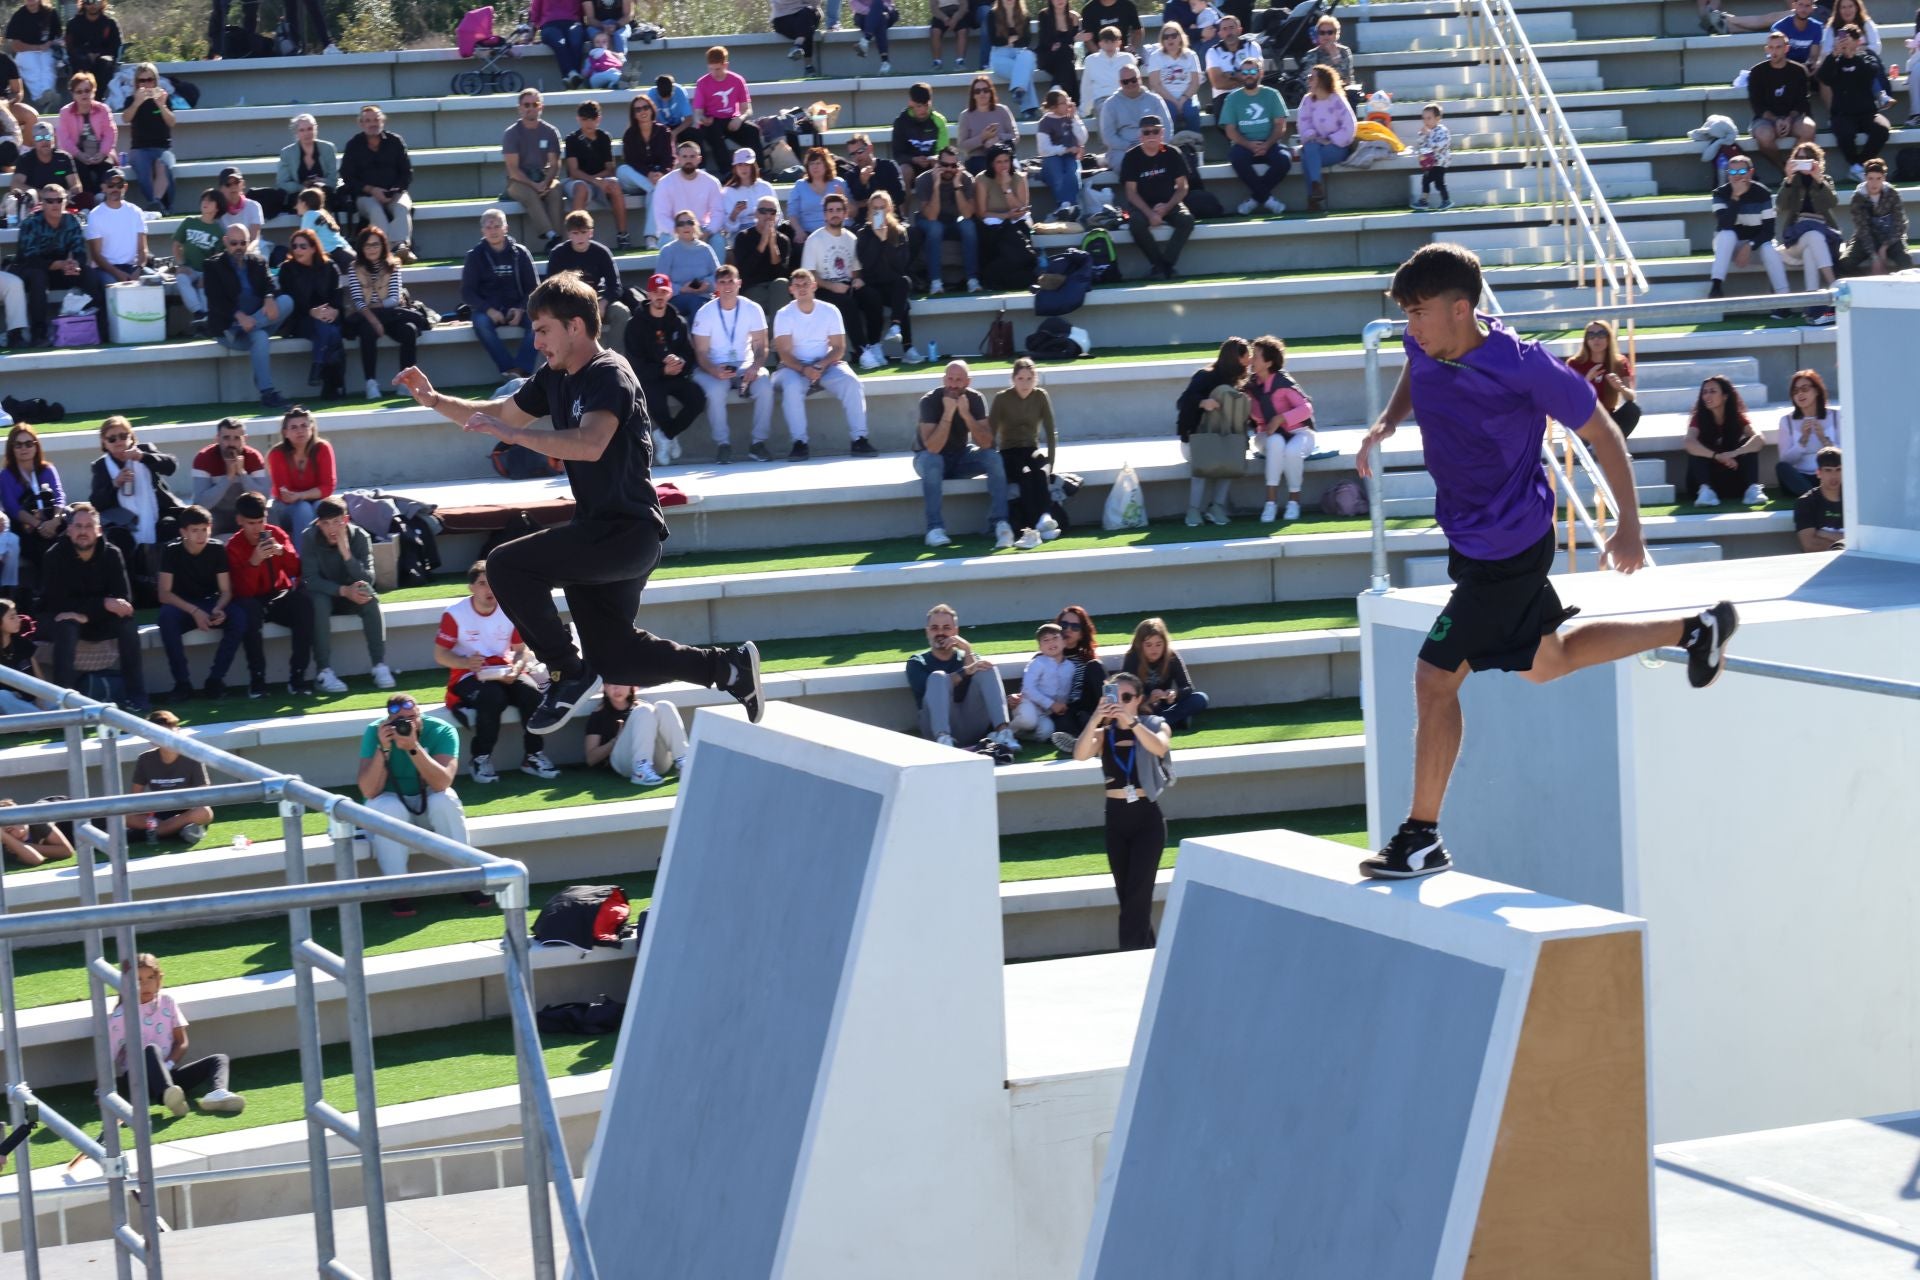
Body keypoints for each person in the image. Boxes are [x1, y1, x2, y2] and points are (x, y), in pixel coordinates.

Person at [1354, 243, 1738, 880]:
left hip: (1509, 546)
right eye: (1407, 316)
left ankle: (1421, 837)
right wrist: (1388, 422)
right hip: (1471, 543)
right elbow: (1413, 370)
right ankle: (1695, 630)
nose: (1410, 327)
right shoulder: (1426, 343)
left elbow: (1604, 433)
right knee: (1546, 662)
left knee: (1434, 677)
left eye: (1418, 313)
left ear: (1460, 308)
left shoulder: (1524, 366)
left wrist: (1629, 526)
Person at [395, 271, 765, 734]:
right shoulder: (554, 376)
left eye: (543, 330)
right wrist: (434, 400)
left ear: (575, 326)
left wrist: (514, 436)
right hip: (598, 533)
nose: (536, 342)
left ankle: (565, 671)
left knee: (505, 565)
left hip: (626, 535)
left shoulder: (610, 373)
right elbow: (500, 414)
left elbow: (590, 443)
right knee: (616, 658)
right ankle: (727, 668)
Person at [1070, 670, 1169, 949]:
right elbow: (1079, 754)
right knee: (1128, 897)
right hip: (1116, 819)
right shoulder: (1104, 735)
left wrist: (1132, 722)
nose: (1120, 703)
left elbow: (1160, 747)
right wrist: (1096, 717)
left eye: (1126, 697)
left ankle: (1129, 957)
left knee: (1138, 894)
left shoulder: (1153, 725)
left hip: (1147, 820)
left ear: (1138, 699)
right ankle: (1148, 953)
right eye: (1115, 696)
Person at [434, 559, 556, 784]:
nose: (489, 589)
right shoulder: (455, 613)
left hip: (504, 669)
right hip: (467, 674)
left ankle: (533, 755)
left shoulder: (509, 609)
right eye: (482, 584)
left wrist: (517, 668)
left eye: (492, 583)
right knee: (492, 697)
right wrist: (466, 662)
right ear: (471, 587)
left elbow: (521, 650)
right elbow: (441, 655)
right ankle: (480, 758)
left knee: (533, 694)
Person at [356, 694, 471, 918]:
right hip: (389, 801)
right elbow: (369, 791)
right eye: (398, 720)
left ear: (420, 716)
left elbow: (442, 783)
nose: (405, 725)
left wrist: (413, 747)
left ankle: (468, 879)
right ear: (388, 721)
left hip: (427, 799)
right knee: (389, 809)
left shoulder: (442, 730)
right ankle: (398, 890)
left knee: (445, 800)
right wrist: (383, 749)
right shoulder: (375, 731)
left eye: (410, 719)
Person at [105, 955, 246, 1119]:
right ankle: (169, 1095)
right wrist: (101, 1091)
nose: (145, 984)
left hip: (169, 1075)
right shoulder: (123, 1014)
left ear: (159, 979)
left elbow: (182, 1041)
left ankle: (217, 1093)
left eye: (150, 977)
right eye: (138, 980)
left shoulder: (167, 1002)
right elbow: (107, 1055)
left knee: (219, 1059)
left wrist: (169, 1064)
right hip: (138, 1081)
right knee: (151, 1050)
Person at [42, 503, 147, 707]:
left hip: (97, 619)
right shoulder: (53, 556)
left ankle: (137, 696)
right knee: (67, 626)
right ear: (69, 530)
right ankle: (64, 701)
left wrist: (88, 613)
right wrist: (103, 604)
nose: (83, 531)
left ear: (99, 531)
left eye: (89, 526)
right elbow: (57, 602)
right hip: (59, 617)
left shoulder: (112, 554)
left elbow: (123, 599)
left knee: (127, 624)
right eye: (78, 526)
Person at [772, 269, 873, 460]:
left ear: (814, 286)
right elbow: (784, 353)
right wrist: (804, 369)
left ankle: (860, 439)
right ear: (791, 289)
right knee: (791, 386)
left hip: (826, 364)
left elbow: (839, 347)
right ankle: (799, 443)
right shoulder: (783, 314)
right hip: (793, 368)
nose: (802, 288)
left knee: (851, 382)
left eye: (806, 284)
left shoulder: (830, 310)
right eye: (797, 285)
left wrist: (821, 365)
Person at [226, 490, 314, 697]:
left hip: (279, 596)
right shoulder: (233, 547)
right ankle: (257, 680)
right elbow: (242, 591)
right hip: (251, 601)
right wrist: (254, 562)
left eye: (261, 521)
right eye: (251, 523)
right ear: (240, 520)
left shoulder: (277, 534)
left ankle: (298, 677)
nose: (258, 528)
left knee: (304, 603)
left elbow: (297, 570)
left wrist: (282, 552)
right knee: (248, 611)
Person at [915, 360, 1012, 548]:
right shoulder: (929, 401)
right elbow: (932, 448)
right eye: (950, 379)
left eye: (959, 380)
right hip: (926, 459)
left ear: (968, 382)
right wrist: (948, 413)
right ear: (944, 379)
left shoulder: (975, 399)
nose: (953, 384)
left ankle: (1000, 523)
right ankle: (935, 529)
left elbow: (986, 443)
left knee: (993, 458)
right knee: (934, 461)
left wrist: (966, 414)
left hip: (960, 457)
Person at [299, 497, 388, 696]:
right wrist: (344, 590)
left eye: (337, 522)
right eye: (326, 523)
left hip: (351, 596)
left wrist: (347, 554)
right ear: (318, 523)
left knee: (369, 595)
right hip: (326, 595)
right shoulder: (309, 537)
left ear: (346, 520)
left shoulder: (360, 536)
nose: (332, 529)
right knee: (319, 602)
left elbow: (369, 578)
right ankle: (323, 671)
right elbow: (310, 580)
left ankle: (379, 665)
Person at [155, 505, 244, 701]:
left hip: (210, 603)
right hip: (182, 606)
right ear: (183, 532)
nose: (201, 535)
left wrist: (219, 609)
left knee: (238, 617)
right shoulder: (171, 550)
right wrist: (194, 611)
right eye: (195, 530)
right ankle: (182, 683)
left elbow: (226, 591)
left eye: (204, 529)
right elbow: (164, 594)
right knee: (166, 617)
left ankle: (215, 680)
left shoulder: (217, 548)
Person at [691, 264, 776, 464]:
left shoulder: (752, 309)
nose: (727, 286)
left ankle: (758, 443)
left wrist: (755, 367)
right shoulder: (705, 312)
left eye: (731, 281)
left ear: (739, 283)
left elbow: (761, 346)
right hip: (713, 366)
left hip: (745, 364)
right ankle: (723, 444)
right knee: (715, 391)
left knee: (765, 386)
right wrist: (714, 370)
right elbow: (701, 353)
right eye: (722, 282)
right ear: (716, 285)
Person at [907, 603, 1019, 748]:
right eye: (934, 628)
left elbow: (976, 672)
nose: (940, 632)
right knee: (938, 677)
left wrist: (967, 649)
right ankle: (944, 739)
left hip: (971, 724)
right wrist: (964, 671)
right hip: (935, 728)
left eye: (946, 628)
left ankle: (1004, 733)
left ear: (955, 631)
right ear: (927, 632)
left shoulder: (968, 656)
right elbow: (933, 688)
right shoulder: (917, 662)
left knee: (986, 668)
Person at [204, 226, 290, 410]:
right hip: (228, 328)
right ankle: (267, 393)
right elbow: (215, 300)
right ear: (225, 242)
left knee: (287, 301)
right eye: (234, 243)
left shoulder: (258, 261)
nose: (239, 247)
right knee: (260, 337)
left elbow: (270, 285)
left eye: (243, 243)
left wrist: (269, 297)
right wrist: (239, 316)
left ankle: (243, 328)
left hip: (252, 324)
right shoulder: (213, 265)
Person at [625, 271, 704, 461]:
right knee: (656, 403)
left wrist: (681, 362)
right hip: (649, 379)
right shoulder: (635, 325)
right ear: (648, 295)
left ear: (670, 294)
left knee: (698, 398)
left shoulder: (678, 322)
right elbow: (635, 364)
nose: (659, 296)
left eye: (663, 291)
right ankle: (670, 435)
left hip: (675, 376)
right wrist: (661, 369)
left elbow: (689, 353)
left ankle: (665, 435)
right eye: (655, 292)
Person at [343, 226, 425, 402]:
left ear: (383, 246)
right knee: (367, 331)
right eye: (367, 245)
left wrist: (376, 306)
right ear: (361, 248)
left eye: (376, 244)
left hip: (391, 314)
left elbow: (394, 299)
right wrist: (375, 321)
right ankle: (371, 383)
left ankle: (406, 382)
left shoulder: (392, 265)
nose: (372, 249)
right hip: (367, 316)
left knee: (409, 330)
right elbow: (358, 301)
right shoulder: (354, 268)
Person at [802, 192, 884, 366]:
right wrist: (832, 286)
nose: (835, 214)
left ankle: (875, 345)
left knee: (873, 297)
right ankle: (862, 351)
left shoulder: (852, 238)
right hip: (822, 288)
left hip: (847, 285)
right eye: (830, 210)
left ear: (845, 213)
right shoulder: (814, 239)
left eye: (839, 210)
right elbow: (808, 275)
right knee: (847, 303)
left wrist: (857, 280)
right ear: (825, 214)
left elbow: (856, 270)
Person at [16, 185, 99, 348]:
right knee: (38, 277)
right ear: (42, 203)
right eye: (49, 201)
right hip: (33, 271)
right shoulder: (30, 223)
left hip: (61, 270)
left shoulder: (72, 221)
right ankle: (38, 334)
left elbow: (80, 253)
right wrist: (60, 264)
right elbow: (29, 259)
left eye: (59, 200)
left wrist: (75, 264)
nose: (55, 204)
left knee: (88, 273)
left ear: (65, 202)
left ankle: (99, 328)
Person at [1244, 334, 1315, 523]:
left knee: (1292, 451)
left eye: (1256, 356)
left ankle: (1294, 502)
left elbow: (1307, 409)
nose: (1251, 359)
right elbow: (1253, 417)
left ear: (1268, 362)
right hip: (1266, 435)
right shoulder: (1249, 386)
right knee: (1276, 441)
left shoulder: (1283, 382)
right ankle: (1270, 503)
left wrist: (1281, 418)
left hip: (1299, 433)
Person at [462, 208, 540, 377]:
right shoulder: (474, 256)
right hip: (488, 309)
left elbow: (534, 288)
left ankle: (521, 370)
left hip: (518, 306)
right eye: (489, 227)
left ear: (506, 228)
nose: (493, 231)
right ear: (482, 231)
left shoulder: (520, 253)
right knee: (481, 323)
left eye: (497, 226)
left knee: (538, 322)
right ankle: (508, 369)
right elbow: (467, 292)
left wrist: (521, 309)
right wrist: (489, 310)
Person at [990, 357, 1058, 542]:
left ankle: (1045, 517)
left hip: (1031, 448)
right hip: (1009, 451)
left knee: (1040, 471)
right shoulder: (1002, 398)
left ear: (1035, 379)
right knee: (1026, 474)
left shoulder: (1040, 396)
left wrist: (1051, 462)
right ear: (1013, 379)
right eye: (1020, 378)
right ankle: (1032, 527)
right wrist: (991, 463)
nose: (1025, 384)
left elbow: (1050, 431)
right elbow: (991, 432)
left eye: (1029, 379)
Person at [1707, 154, 1792, 299]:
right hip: (1729, 248)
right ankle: (1716, 287)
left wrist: (1749, 246)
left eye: (1742, 171)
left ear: (1751, 172)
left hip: (1755, 246)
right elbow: (1725, 224)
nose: (1737, 176)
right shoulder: (1720, 193)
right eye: (1732, 172)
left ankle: (1784, 298)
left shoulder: (1763, 193)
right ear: (1728, 174)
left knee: (1769, 248)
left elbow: (1768, 232)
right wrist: (1735, 197)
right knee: (1727, 234)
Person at [545, 209, 630, 354]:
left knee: (621, 312)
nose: (580, 237)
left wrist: (604, 302)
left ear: (591, 232)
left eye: (584, 232)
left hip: (597, 300)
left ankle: (614, 357)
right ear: (569, 234)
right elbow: (551, 288)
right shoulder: (558, 254)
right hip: (568, 303)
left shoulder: (601, 252)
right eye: (575, 233)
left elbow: (615, 285)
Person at [276, 228, 346, 401]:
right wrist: (311, 312)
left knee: (330, 330)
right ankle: (333, 382)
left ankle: (319, 368)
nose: (298, 250)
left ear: (314, 248)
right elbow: (289, 301)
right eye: (294, 246)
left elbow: (337, 296)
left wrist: (335, 310)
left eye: (303, 246)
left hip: (328, 318)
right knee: (331, 333)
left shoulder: (330, 267)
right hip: (299, 320)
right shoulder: (287, 269)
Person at [339, 106, 416, 264]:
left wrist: (395, 189)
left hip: (395, 192)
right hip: (366, 196)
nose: (372, 124)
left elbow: (407, 172)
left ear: (383, 121)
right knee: (376, 211)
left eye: (376, 120)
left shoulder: (395, 141)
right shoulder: (353, 145)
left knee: (402, 207)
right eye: (368, 120)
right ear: (361, 124)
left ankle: (401, 246)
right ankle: (389, 250)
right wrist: (372, 190)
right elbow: (347, 177)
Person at [1120, 115, 1193, 280]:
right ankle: (1160, 266)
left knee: (1187, 220)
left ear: (1162, 133)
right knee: (1136, 223)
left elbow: (1183, 187)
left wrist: (1166, 208)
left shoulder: (1172, 153)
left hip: (1169, 203)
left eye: (1155, 131)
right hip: (1142, 205)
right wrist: (1150, 214)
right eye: (1146, 132)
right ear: (1140, 136)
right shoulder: (1131, 156)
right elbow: (1131, 192)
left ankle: (1164, 265)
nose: (1151, 135)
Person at [1775, 140, 1840, 321]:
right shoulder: (1791, 181)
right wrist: (1788, 179)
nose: (1803, 161)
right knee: (1813, 235)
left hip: (1821, 239)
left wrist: (1818, 180)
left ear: (1816, 161)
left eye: (1808, 158)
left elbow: (1832, 202)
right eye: (1799, 158)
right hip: (1795, 240)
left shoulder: (1825, 180)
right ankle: (1835, 286)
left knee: (1812, 246)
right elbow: (1780, 205)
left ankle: (1812, 306)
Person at [1816, 24, 1891, 179]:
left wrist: (1853, 56)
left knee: (1882, 128)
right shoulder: (1835, 61)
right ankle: (1855, 165)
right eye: (1842, 40)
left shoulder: (1866, 57)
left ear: (1858, 41)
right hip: (1842, 114)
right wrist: (1834, 54)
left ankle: (1858, 165)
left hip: (1868, 113)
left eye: (1848, 40)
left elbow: (1871, 72)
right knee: (1845, 132)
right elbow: (1823, 77)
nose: (1845, 43)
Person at [1218, 53, 1289, 216]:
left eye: (1252, 72)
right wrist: (1249, 145)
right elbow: (1230, 130)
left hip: (1270, 142)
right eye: (1245, 72)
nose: (1248, 75)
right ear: (1240, 75)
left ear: (1260, 73)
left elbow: (1280, 126)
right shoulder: (1232, 98)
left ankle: (1254, 200)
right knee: (1237, 158)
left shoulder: (1272, 94)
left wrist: (1267, 144)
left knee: (1284, 160)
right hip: (1244, 144)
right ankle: (1268, 200)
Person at [129, 710, 213, 845]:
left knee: (204, 812)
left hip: (186, 811)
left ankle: (156, 832)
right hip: (157, 812)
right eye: (160, 735)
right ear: (152, 739)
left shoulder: (192, 756)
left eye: (169, 733)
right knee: (123, 815)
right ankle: (179, 831)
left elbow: (204, 796)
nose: (167, 739)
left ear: (178, 731)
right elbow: (135, 799)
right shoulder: (145, 759)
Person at [1, 424, 67, 595]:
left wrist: (55, 520)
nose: (24, 448)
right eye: (18, 445)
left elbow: (59, 496)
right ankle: (49, 595)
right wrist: (39, 525)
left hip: (52, 521)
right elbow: (12, 507)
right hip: (24, 527)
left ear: (36, 446)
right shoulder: (6, 476)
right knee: (41, 549)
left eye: (29, 444)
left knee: (69, 540)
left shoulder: (47, 470)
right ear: (12, 448)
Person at [582, 681, 689, 785]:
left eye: (621, 683)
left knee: (664, 705)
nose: (616, 688)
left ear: (631, 686)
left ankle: (685, 763)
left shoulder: (644, 707)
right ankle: (640, 771)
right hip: (625, 765)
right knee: (644, 710)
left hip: (658, 765)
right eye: (610, 684)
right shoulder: (599, 715)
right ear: (604, 688)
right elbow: (591, 759)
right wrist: (615, 740)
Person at [857, 190, 917, 365]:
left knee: (904, 283)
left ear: (889, 209)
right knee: (875, 298)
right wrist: (878, 240)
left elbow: (901, 265)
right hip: (872, 284)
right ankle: (880, 344)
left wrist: (886, 242)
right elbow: (866, 264)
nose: (879, 212)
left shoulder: (899, 232)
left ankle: (896, 327)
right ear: (869, 210)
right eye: (875, 208)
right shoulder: (863, 233)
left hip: (892, 283)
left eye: (882, 208)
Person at [503, 88, 567, 248]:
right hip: (518, 181)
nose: (530, 108)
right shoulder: (511, 133)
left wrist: (546, 183)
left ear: (541, 107)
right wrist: (534, 185)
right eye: (526, 105)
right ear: (520, 108)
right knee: (530, 193)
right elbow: (513, 170)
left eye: (535, 104)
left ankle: (557, 239)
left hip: (544, 177)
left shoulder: (550, 131)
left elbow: (555, 164)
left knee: (556, 190)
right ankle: (553, 236)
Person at [914, 147, 981, 294]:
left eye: (953, 165)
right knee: (935, 227)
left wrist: (957, 186)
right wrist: (936, 186)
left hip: (954, 221)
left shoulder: (966, 178)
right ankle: (935, 282)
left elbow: (968, 214)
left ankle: (972, 280)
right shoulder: (923, 179)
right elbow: (931, 216)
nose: (949, 169)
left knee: (968, 226)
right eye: (945, 165)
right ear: (937, 164)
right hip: (928, 222)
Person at [564, 100, 630, 248]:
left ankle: (623, 235)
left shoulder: (604, 137)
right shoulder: (572, 139)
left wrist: (599, 180)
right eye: (584, 119)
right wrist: (595, 180)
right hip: (577, 182)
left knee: (614, 184)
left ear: (599, 119)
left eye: (592, 118)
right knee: (581, 188)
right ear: (578, 119)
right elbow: (574, 172)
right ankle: (576, 235)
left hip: (600, 181)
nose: (589, 123)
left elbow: (610, 168)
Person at [1748, 32, 1816, 174]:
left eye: (1778, 47)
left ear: (1786, 48)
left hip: (1794, 117)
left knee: (1809, 128)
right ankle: (1784, 169)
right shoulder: (1757, 72)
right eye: (1771, 47)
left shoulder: (1799, 70)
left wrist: (1789, 119)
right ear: (1766, 49)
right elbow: (1757, 105)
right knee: (1763, 135)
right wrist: (1776, 120)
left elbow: (1802, 101)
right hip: (1766, 119)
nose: (1774, 51)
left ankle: (1794, 166)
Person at [1124, 616, 1208, 729]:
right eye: (1148, 645)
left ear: (1165, 644)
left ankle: (1158, 722)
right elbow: (1125, 693)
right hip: (1142, 706)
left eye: (1159, 644)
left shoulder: (1171, 656)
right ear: (1140, 645)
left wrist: (1174, 694)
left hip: (1165, 705)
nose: (1154, 649)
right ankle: (1173, 721)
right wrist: (1147, 699)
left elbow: (1187, 687)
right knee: (1128, 709)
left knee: (1201, 698)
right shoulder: (1132, 658)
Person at [191, 418, 270, 537]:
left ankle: (267, 546)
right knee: (197, 521)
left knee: (270, 515)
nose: (231, 444)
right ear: (217, 438)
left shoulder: (253, 457)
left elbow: (264, 498)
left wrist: (242, 473)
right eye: (226, 438)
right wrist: (228, 477)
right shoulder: (203, 458)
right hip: (215, 515)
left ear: (245, 439)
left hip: (245, 514)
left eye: (237, 438)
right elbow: (201, 504)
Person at [1296, 64, 1357, 213]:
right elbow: (1303, 124)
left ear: (1322, 81)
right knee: (1309, 149)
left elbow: (1349, 126)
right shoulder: (1307, 100)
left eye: (1311, 77)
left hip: (1337, 147)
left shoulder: (1337, 100)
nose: (1308, 80)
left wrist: (1330, 139)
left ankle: (1313, 198)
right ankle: (1316, 188)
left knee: (1306, 156)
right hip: (1315, 145)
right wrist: (1315, 138)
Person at [691, 45, 760, 176]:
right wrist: (703, 119)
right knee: (713, 132)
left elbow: (747, 109)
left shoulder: (737, 80)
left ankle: (758, 170)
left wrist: (739, 119)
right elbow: (697, 113)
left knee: (753, 131)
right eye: (711, 69)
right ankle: (727, 172)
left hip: (732, 120)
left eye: (718, 69)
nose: (714, 73)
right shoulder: (702, 82)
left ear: (725, 65)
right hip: (713, 120)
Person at [1774, 368, 1840, 496]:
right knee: (1781, 468)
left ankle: (1814, 496)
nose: (1800, 394)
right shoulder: (1786, 421)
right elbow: (1786, 461)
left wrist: (1824, 440)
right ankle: (1814, 496)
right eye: (1795, 391)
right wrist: (1803, 440)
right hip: (1801, 478)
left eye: (1805, 389)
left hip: (1827, 476)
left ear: (1816, 390)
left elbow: (1845, 455)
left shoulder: (1835, 416)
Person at [648, 140, 727, 246]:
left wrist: (707, 232)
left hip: (702, 230)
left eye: (692, 156)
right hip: (674, 230)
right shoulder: (664, 183)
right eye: (684, 156)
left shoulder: (712, 182)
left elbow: (718, 212)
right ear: (678, 159)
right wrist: (681, 233)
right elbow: (661, 216)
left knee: (718, 240)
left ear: (699, 159)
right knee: (665, 241)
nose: (688, 160)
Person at [1841, 156, 1910, 273]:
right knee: (1846, 262)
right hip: (1866, 238)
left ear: (1884, 178)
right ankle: (1865, 282)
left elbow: (1901, 225)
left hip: (1890, 237)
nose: (1874, 183)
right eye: (1871, 178)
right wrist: (1874, 255)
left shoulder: (1892, 194)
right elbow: (1862, 229)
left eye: (1878, 178)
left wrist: (1884, 247)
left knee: (1906, 260)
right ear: (1865, 178)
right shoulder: (1858, 198)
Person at [56, 71, 117, 201]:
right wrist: (79, 154)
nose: (84, 94)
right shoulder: (65, 112)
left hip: (101, 152)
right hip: (77, 154)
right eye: (79, 91)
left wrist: (102, 153)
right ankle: (89, 200)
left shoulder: (103, 109)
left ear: (93, 91)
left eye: (87, 90)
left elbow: (110, 133)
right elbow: (64, 140)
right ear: (73, 94)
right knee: (78, 168)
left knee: (107, 167)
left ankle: (104, 197)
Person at [121, 63, 173, 213]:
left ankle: (156, 203)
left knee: (162, 165)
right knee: (144, 169)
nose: (146, 84)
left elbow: (172, 122)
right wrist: (137, 102)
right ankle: (159, 205)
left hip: (163, 148)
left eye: (149, 80)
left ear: (155, 81)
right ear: (136, 82)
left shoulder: (163, 98)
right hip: (140, 148)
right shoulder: (131, 100)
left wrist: (162, 105)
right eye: (142, 80)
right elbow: (125, 118)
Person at [656, 205, 723, 319]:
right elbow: (659, 282)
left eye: (689, 222)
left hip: (704, 296)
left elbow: (718, 276)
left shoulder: (706, 249)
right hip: (676, 298)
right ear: (676, 229)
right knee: (695, 303)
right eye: (681, 224)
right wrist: (681, 289)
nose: (686, 226)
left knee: (702, 304)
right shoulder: (668, 250)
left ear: (695, 226)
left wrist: (706, 284)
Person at [169, 188, 223, 331]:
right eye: (204, 200)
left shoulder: (219, 231)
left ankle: (205, 322)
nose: (205, 203)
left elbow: (217, 258)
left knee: (205, 286)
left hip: (207, 270)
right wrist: (181, 264)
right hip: (189, 269)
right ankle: (199, 313)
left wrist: (207, 275)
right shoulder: (189, 222)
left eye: (210, 201)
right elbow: (176, 245)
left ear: (217, 207)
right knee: (181, 278)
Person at [1008, 622, 1073, 740]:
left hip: (1045, 712)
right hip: (1027, 703)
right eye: (1046, 640)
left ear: (1064, 642)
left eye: (1055, 638)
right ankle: (1007, 731)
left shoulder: (1070, 667)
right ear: (1040, 648)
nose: (1051, 642)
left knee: (1047, 732)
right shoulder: (1038, 663)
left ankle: (1020, 736)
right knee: (1028, 721)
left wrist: (1061, 705)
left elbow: (1065, 691)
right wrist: (1051, 704)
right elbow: (1028, 688)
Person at [733, 194, 793, 314]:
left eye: (772, 212)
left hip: (775, 288)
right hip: (753, 287)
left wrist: (772, 244)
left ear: (776, 216)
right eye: (763, 211)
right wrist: (762, 242)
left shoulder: (783, 240)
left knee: (781, 284)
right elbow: (744, 271)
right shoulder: (743, 237)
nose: (768, 215)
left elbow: (782, 273)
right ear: (756, 214)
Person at [1096, 63, 1168, 164]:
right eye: (1125, 82)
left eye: (1133, 80)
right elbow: (1108, 136)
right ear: (1120, 83)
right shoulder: (1110, 104)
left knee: (1170, 157)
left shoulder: (1155, 100)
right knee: (1126, 164)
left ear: (1140, 79)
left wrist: (1152, 146)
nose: (1130, 84)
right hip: (1123, 150)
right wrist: (1129, 147)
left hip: (1154, 145)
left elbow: (1167, 128)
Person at [1037, 88, 1090, 219]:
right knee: (1058, 175)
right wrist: (1065, 149)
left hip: (1070, 157)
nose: (1068, 104)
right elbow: (1043, 149)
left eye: (1068, 100)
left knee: (1072, 173)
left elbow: (1083, 139)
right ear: (1053, 107)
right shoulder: (1045, 122)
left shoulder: (1071, 118)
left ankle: (1065, 207)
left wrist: (1074, 119)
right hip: (1052, 157)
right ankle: (1069, 205)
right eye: (1064, 102)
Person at [1146, 22, 1204, 135]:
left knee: (1192, 112)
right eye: (1166, 37)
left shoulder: (1191, 55)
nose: (1170, 39)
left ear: (1180, 37)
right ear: (1162, 40)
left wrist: (1182, 100)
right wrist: (1175, 102)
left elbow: (1195, 82)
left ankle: (1195, 143)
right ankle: (1169, 144)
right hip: (1164, 97)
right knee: (1169, 112)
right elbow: (1155, 84)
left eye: (1173, 35)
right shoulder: (1155, 56)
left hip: (1187, 97)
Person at [616, 96, 674, 206]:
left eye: (645, 107)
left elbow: (669, 158)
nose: (642, 111)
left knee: (655, 191)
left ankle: (654, 188)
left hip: (657, 178)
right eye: (638, 110)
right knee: (622, 170)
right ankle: (655, 186)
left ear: (651, 109)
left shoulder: (663, 131)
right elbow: (631, 161)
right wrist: (648, 173)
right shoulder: (630, 134)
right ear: (634, 114)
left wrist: (662, 172)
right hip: (635, 183)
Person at [988, 0, 1040, 118]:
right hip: (999, 55)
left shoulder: (1024, 15)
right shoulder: (992, 14)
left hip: (1021, 54)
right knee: (1024, 72)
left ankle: (1019, 91)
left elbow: (1026, 41)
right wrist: (1012, 39)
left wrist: (1007, 41)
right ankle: (1029, 109)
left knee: (1027, 54)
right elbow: (993, 40)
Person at [890, 82, 951, 182]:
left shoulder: (939, 121)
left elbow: (944, 152)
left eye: (926, 105)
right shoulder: (901, 121)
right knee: (905, 170)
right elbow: (897, 154)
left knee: (939, 166)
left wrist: (934, 158)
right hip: (910, 165)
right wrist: (914, 159)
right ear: (911, 103)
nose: (923, 110)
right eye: (919, 106)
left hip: (932, 165)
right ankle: (907, 193)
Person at [788, 145, 851, 239]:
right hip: (809, 235)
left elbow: (852, 213)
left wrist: (843, 199)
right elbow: (792, 214)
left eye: (818, 163)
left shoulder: (839, 183)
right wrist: (799, 231)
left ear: (826, 165)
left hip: (838, 231)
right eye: (811, 164)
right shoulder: (800, 185)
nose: (815, 167)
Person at [958, 77, 1019, 174]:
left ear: (991, 92)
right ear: (973, 95)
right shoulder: (965, 115)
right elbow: (962, 146)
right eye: (977, 91)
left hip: (1002, 156)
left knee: (1017, 173)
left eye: (985, 90)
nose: (982, 94)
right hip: (978, 159)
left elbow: (1015, 136)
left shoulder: (1002, 110)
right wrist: (982, 138)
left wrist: (998, 138)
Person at [4, 0, 59, 106]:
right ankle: (39, 97)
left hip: (46, 49)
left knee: (47, 64)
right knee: (31, 65)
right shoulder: (18, 16)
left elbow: (56, 36)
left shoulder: (51, 12)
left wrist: (48, 44)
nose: (31, 1)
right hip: (25, 51)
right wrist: (36, 47)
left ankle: (48, 92)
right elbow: (15, 45)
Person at [278, 112, 338, 209]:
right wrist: (303, 187)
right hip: (299, 195)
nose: (307, 133)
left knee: (324, 198)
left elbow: (333, 181)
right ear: (296, 133)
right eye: (302, 130)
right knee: (305, 201)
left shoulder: (328, 148)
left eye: (310, 129)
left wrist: (321, 181)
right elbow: (282, 183)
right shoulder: (287, 152)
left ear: (315, 129)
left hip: (324, 194)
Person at [0, 794, 74, 866]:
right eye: (8, 832)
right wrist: (5, 837)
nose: (19, 831)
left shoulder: (37, 819)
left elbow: (67, 851)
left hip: (70, 811)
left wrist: (27, 845)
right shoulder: (6, 842)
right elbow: (36, 860)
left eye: (9, 830)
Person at [1794, 445, 1844, 551]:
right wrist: (1846, 541)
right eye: (1828, 470)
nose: (1834, 476)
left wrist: (1827, 534)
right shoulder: (1805, 502)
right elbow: (1809, 545)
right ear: (1818, 473)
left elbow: (1864, 540)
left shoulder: (1854, 499)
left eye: (1838, 469)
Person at [718, 147, 774, 238]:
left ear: (753, 166)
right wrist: (735, 213)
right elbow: (727, 228)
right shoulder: (728, 192)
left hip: (765, 228)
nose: (743, 168)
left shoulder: (765, 187)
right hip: (740, 233)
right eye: (740, 165)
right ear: (735, 168)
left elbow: (777, 215)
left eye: (747, 164)